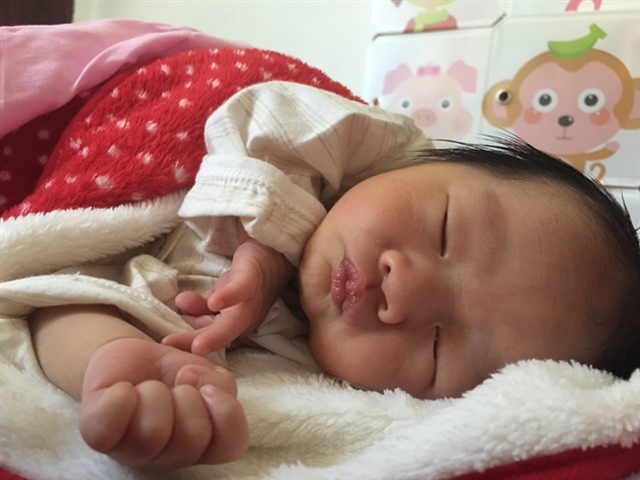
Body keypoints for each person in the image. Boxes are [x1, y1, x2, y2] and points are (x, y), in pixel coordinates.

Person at [7, 51, 638, 472]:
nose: (402, 292)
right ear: (433, 161)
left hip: (111, 286)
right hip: (107, 158)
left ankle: (112, 362)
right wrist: (268, 248)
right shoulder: (360, 143)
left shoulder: (299, 369)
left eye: (439, 348)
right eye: (445, 231)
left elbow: (53, 292)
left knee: (78, 309)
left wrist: (124, 361)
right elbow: (259, 112)